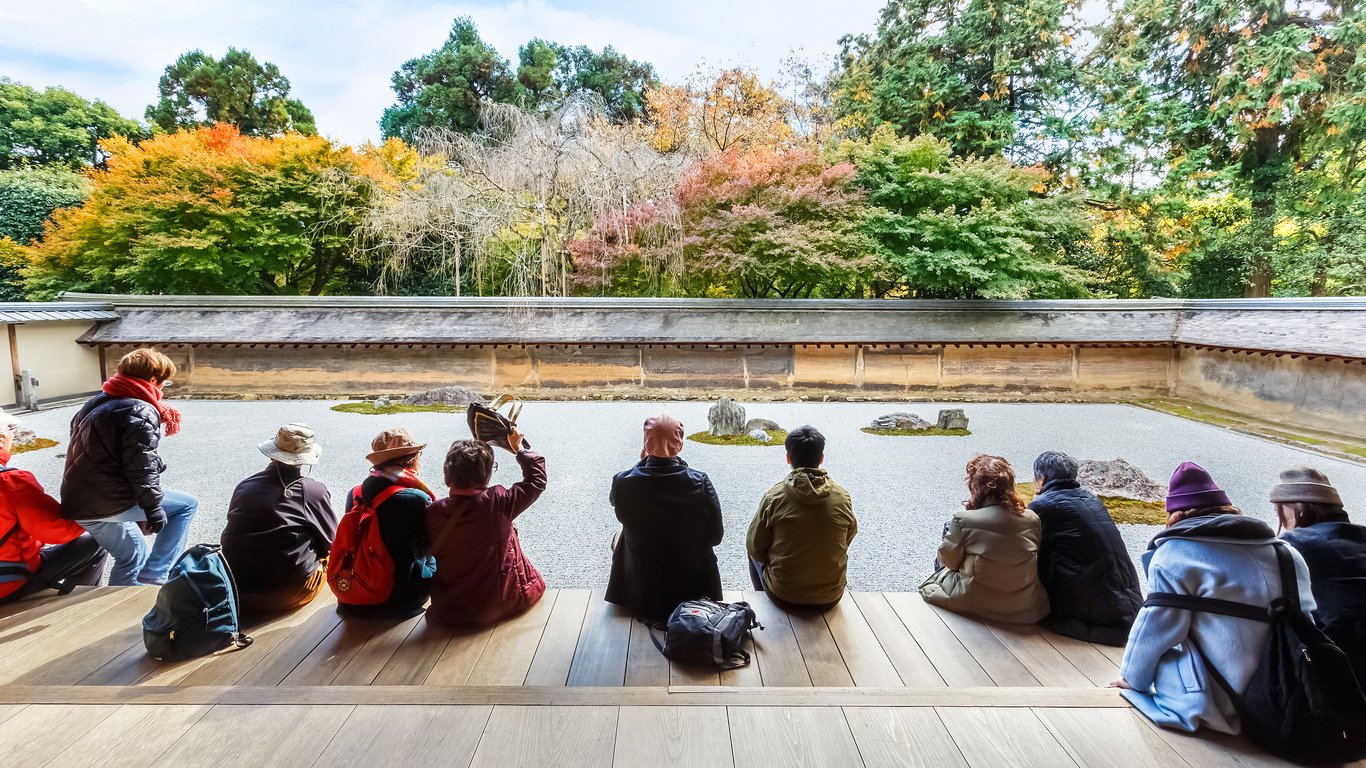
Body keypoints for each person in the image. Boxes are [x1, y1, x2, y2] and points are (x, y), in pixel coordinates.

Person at [1115, 462, 1317, 735]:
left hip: (1221, 703)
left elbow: (1155, 628)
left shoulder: (1175, 554)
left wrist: (1131, 680)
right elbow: (1308, 623)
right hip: (1292, 692)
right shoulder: (1289, 555)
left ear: (1175, 513)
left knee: (1172, 639)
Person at [61, 348, 198, 586]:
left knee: (132, 557)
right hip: (109, 502)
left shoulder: (97, 402)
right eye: (165, 381)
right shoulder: (140, 409)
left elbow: (107, 453)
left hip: (79, 503)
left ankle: (119, 612)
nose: (164, 388)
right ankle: (156, 575)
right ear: (154, 380)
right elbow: (140, 466)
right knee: (186, 506)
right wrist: (152, 507)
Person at [606, 415, 723, 622]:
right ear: (679, 444)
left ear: (646, 443)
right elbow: (715, 536)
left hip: (642, 590)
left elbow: (618, 506)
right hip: (693, 588)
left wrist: (641, 462)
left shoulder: (623, 481)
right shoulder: (700, 481)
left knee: (621, 532)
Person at [425, 430, 547, 628]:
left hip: (450, 610)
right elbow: (536, 480)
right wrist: (519, 449)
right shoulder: (498, 501)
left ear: (449, 473)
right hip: (503, 604)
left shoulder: (433, 512)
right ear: (485, 473)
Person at [220, 424, 337, 617]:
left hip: (237, 588)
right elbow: (332, 542)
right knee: (333, 556)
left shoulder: (245, 485)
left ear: (273, 452)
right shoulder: (313, 491)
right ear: (305, 458)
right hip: (287, 593)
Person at [1028, 451, 1142, 646]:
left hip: (1101, 621)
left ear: (1041, 478)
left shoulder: (1042, 506)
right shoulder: (1091, 499)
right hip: (1133, 609)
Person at [919, 455, 1049, 624]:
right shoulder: (1032, 518)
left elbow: (948, 561)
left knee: (943, 558)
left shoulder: (964, 519)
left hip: (975, 601)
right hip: (1024, 607)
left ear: (976, 486)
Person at [746, 426, 857, 611]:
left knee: (751, 552)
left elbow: (755, 547)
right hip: (831, 596)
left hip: (783, 596)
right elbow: (848, 537)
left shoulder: (774, 497)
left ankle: (765, 601)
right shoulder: (842, 497)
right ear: (821, 458)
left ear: (788, 458)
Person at [0, 411, 107, 603]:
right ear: (1, 438)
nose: (13, 434)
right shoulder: (10, 482)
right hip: (9, 584)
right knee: (96, 544)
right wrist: (95, 509)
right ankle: (77, 608)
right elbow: (57, 531)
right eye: (10, 429)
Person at [1273, 465, 1365, 683]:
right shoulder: (1361, 534)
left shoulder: (1297, 543)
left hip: (1343, 659)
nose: (1279, 517)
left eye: (1280, 510)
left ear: (1299, 509)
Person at [336, 428, 435, 618]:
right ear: (411, 460)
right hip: (403, 599)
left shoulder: (355, 494)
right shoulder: (416, 499)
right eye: (418, 454)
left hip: (355, 591)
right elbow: (429, 544)